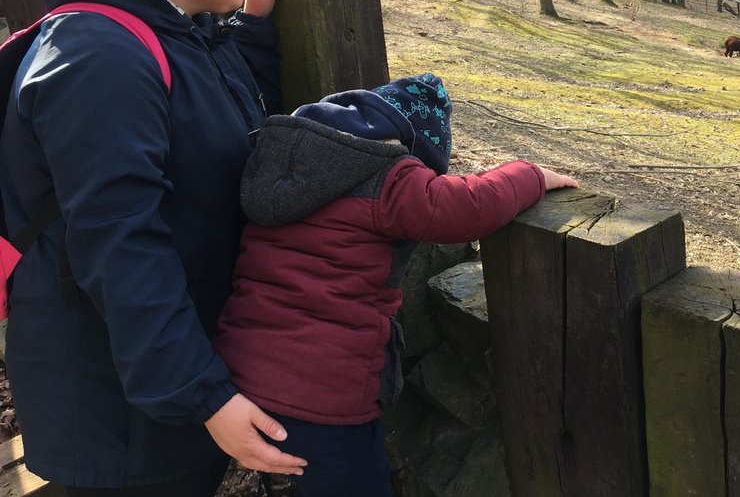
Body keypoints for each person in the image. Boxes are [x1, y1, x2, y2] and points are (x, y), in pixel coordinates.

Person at [0, 0, 307, 495]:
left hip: (157, 375)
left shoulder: (181, 28)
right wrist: (205, 396)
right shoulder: (100, 58)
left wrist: (251, 27)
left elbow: (214, 119)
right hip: (115, 403)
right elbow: (120, 243)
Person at [212, 73, 578, 497]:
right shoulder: (388, 179)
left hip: (240, 372)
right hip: (325, 393)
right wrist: (529, 174)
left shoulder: (289, 164)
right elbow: (467, 207)